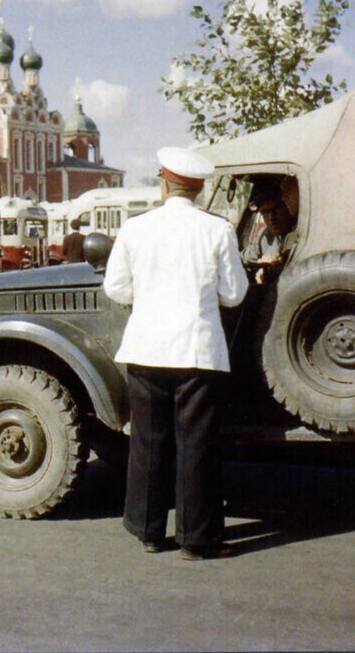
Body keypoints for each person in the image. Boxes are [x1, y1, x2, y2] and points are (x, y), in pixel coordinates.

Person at [103, 147, 248, 561]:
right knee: (196, 445)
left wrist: (146, 298)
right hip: (197, 352)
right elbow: (234, 295)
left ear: (163, 183)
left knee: (148, 442)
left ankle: (148, 531)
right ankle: (196, 540)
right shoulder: (217, 230)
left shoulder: (135, 228)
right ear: (200, 189)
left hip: (147, 348)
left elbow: (115, 288)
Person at [241, 185, 296, 284]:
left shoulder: (299, 235)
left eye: (277, 209)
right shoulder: (265, 235)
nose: (271, 218)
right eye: (265, 212)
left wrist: (276, 268)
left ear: (287, 208)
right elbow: (245, 258)